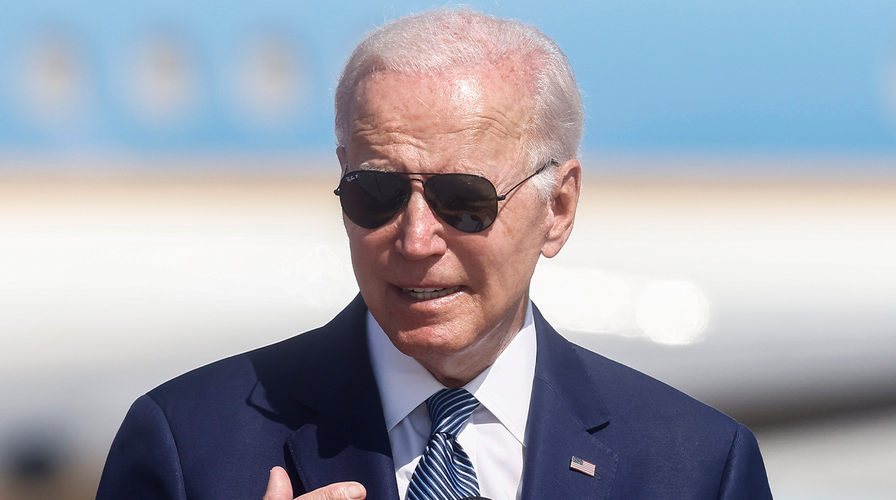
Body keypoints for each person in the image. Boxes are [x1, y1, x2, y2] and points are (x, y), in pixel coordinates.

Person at [96, 8, 773, 500]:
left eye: (463, 201)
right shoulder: (189, 445)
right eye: (376, 194)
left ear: (558, 209)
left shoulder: (695, 467)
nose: (416, 239)